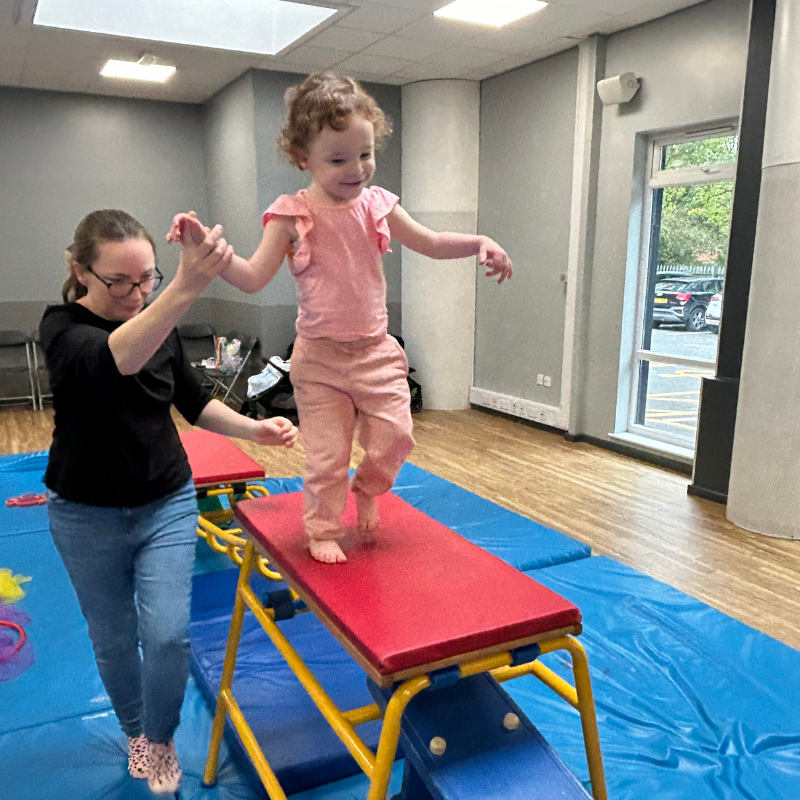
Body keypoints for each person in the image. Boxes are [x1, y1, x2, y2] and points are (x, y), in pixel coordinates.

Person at [168, 73, 512, 565]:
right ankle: (322, 527)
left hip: (375, 351)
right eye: (337, 159)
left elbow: (431, 242)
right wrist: (209, 249)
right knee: (327, 457)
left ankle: (369, 489)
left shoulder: (378, 204)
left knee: (397, 437)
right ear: (302, 158)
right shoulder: (291, 216)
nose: (357, 169)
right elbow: (251, 278)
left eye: (365, 154)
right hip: (320, 360)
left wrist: (479, 242)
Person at [40, 209, 298, 794]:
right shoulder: (61, 328)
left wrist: (256, 430)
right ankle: (136, 731)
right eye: (120, 282)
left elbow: (192, 398)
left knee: (166, 634)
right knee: (111, 635)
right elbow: (119, 359)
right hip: (84, 513)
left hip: (165, 500)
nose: (136, 294)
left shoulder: (160, 317)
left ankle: (159, 737)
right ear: (81, 271)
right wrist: (185, 284)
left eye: (147, 278)